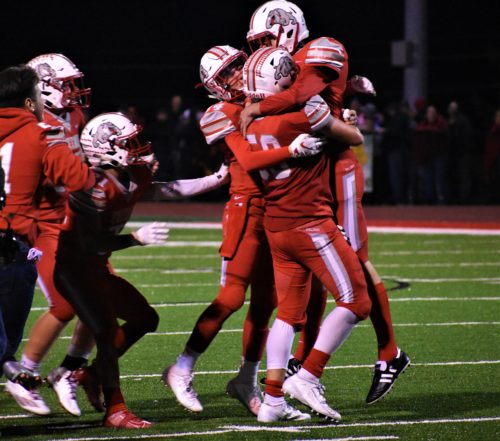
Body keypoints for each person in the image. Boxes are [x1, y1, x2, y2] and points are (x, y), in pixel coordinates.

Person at [241, 0, 410, 405]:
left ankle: (389, 352)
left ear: (288, 27)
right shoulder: (284, 61)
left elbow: (303, 91)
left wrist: (259, 106)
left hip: (336, 166)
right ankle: (303, 358)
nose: (263, 47)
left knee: (353, 257)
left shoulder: (321, 47)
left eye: (267, 37)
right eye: (258, 42)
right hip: (307, 171)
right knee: (312, 268)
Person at [163, 45, 323, 416]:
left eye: (237, 64)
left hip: (278, 208)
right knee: (232, 296)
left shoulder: (269, 99)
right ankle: (182, 366)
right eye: (226, 73)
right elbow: (249, 159)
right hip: (246, 209)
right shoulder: (218, 112)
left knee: (266, 304)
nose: (235, 74)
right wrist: (291, 150)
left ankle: (245, 380)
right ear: (212, 87)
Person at [53, 111, 231, 428]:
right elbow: (90, 243)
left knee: (145, 318)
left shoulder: (130, 175)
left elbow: (166, 189)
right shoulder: (91, 185)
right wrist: (135, 238)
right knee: (106, 332)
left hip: (94, 268)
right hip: (73, 269)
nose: (137, 147)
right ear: (103, 147)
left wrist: (216, 179)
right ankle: (115, 410)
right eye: (127, 142)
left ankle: (91, 375)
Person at [236, 47, 370, 422]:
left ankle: (274, 401)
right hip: (308, 220)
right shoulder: (304, 110)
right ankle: (308, 375)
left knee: (288, 315)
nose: (294, 79)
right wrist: (344, 119)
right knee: (357, 300)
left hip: (276, 223)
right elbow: (354, 137)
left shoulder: (246, 120)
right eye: (287, 74)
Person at [0, 64, 95, 414]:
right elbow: (78, 178)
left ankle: (66, 370)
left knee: (99, 297)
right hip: (34, 230)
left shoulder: (69, 118)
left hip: (56, 225)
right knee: (63, 304)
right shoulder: (40, 132)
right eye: (63, 86)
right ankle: (23, 374)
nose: (72, 93)